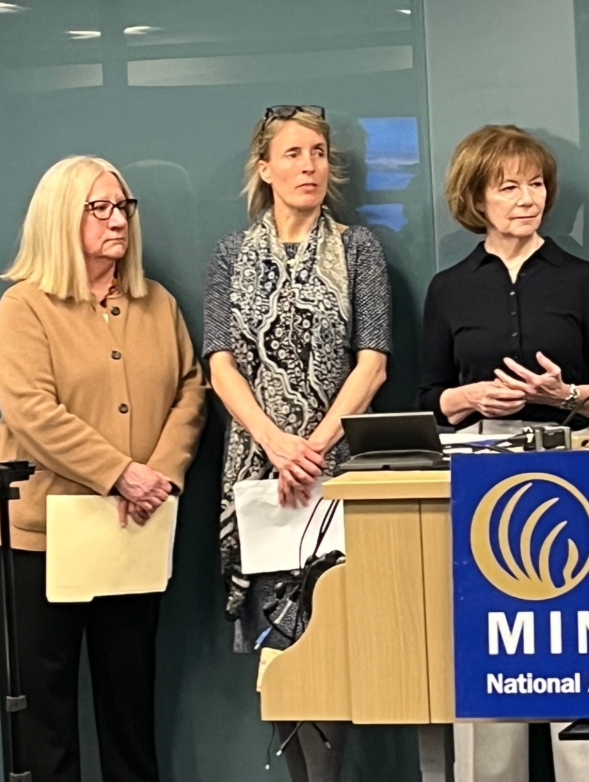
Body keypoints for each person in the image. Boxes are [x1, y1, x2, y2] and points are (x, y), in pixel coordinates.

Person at [0, 155, 206, 782]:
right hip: (39, 539)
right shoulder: (25, 306)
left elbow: (191, 391)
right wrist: (119, 473)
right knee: (43, 719)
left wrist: (158, 475)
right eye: (100, 208)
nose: (118, 221)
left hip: (133, 529)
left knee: (130, 708)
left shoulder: (157, 303)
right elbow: (29, 409)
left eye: (124, 207)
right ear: (61, 218)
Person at [418, 125, 589, 782]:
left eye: (536, 185)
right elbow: (427, 399)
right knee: (488, 651)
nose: (527, 199)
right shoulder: (449, 288)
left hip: (572, 469)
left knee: (581, 651)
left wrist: (567, 395)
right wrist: (470, 396)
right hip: (479, 470)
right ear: (476, 196)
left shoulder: (582, 279)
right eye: (508, 187)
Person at [203, 105, 391, 782]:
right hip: (260, 475)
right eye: (292, 153)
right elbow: (220, 364)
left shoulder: (358, 249)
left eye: (318, 153)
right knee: (278, 642)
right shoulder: (230, 255)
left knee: (332, 635)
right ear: (265, 168)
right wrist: (277, 443)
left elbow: (373, 363)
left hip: (334, 470)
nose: (309, 166)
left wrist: (312, 446)